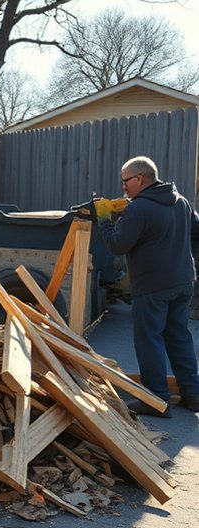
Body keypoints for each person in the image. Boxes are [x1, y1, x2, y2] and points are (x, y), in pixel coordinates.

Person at [99, 156, 199, 416]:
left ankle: (156, 400)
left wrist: (105, 221)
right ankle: (193, 394)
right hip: (183, 280)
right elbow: (195, 231)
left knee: (149, 339)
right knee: (178, 336)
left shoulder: (139, 208)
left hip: (153, 285)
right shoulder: (181, 201)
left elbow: (117, 245)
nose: (123, 188)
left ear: (140, 179)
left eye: (125, 182)